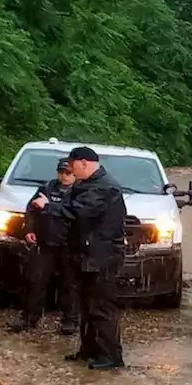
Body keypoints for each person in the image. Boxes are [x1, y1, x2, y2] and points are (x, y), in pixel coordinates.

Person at [31, 146, 127, 370]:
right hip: (85, 255)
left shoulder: (104, 187)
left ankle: (111, 356)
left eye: (73, 166)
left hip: (102, 256)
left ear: (84, 163)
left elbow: (77, 211)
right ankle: (89, 350)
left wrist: (49, 206)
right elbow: (70, 209)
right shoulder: (87, 184)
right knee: (87, 306)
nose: (71, 171)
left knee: (101, 308)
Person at [9, 159, 80, 335]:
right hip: (45, 242)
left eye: (68, 173)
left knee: (69, 284)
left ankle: (70, 321)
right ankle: (28, 318)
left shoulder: (81, 192)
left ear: (75, 174)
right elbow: (31, 210)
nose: (64, 176)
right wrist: (29, 230)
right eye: (61, 172)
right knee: (35, 280)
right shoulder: (47, 188)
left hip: (69, 245)